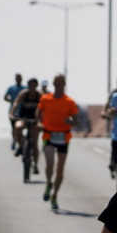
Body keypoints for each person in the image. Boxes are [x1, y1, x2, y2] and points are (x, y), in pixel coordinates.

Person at [37, 74, 78, 209]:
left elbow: (76, 120)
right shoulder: (46, 98)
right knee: (50, 164)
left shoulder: (69, 101)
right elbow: (39, 112)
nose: (59, 85)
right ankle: (49, 183)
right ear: (53, 84)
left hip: (63, 137)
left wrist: (70, 121)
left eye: (61, 83)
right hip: (48, 135)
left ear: (64, 84)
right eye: (57, 83)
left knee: (60, 169)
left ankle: (54, 195)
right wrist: (39, 123)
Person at [9, 77, 42, 174]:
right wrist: (12, 114)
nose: (32, 88)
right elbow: (15, 103)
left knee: (35, 143)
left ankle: (35, 165)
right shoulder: (24, 94)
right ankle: (20, 145)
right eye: (30, 86)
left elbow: (45, 107)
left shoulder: (39, 95)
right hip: (23, 118)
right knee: (18, 127)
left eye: (34, 86)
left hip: (35, 120)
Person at [103, 77, 117, 178]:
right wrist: (105, 112)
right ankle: (113, 163)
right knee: (116, 145)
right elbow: (107, 104)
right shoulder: (115, 94)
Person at [4, 73, 26, 152]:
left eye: (19, 78)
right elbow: (5, 97)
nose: (18, 79)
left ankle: (20, 140)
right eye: (17, 78)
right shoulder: (11, 88)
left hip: (23, 111)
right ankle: (14, 139)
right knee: (14, 127)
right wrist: (12, 101)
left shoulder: (25, 88)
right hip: (13, 110)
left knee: (22, 126)